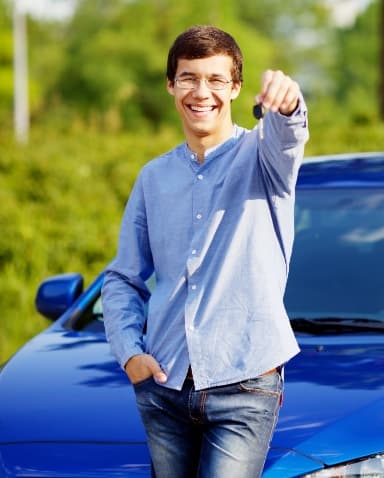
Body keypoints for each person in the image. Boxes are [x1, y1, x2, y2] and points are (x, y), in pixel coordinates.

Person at [101, 25, 309, 477]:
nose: (202, 92)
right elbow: (122, 278)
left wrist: (289, 102)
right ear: (171, 85)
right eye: (190, 77)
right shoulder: (153, 178)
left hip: (245, 383)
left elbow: (289, 135)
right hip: (164, 383)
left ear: (235, 88)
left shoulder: (262, 157)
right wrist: (129, 353)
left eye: (216, 80)